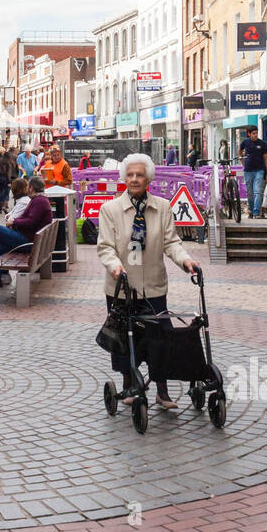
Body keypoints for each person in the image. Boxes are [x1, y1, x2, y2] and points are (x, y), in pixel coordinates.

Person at [96, 153, 201, 411]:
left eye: (139, 175)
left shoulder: (162, 207)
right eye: (130, 175)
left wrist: (187, 261)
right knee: (124, 340)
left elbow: (171, 243)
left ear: (148, 178)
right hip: (121, 288)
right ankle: (130, 385)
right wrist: (114, 266)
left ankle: (162, 393)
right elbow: (105, 247)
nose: (134, 179)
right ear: (123, 178)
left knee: (160, 339)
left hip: (153, 287)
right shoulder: (109, 210)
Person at [0, 174, 53, 287]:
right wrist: (15, 222)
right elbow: (28, 219)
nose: (27, 189)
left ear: (32, 188)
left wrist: (14, 222)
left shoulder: (39, 201)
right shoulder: (38, 200)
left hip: (29, 242)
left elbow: (31, 222)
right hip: (32, 239)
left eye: (28, 186)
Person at [238, 126, 267, 220]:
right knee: (250, 193)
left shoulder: (263, 143)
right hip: (248, 170)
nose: (255, 135)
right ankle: (251, 211)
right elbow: (239, 151)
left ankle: (256, 212)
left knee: (258, 192)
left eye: (256, 133)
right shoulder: (245, 142)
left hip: (259, 170)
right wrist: (242, 161)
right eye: (253, 133)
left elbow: (266, 159)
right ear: (249, 134)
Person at [0, 147, 15, 213]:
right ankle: (4, 206)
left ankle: (0, 209)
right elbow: (9, 172)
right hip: (6, 179)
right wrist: (9, 181)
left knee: (0, 193)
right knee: (6, 193)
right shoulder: (9, 161)